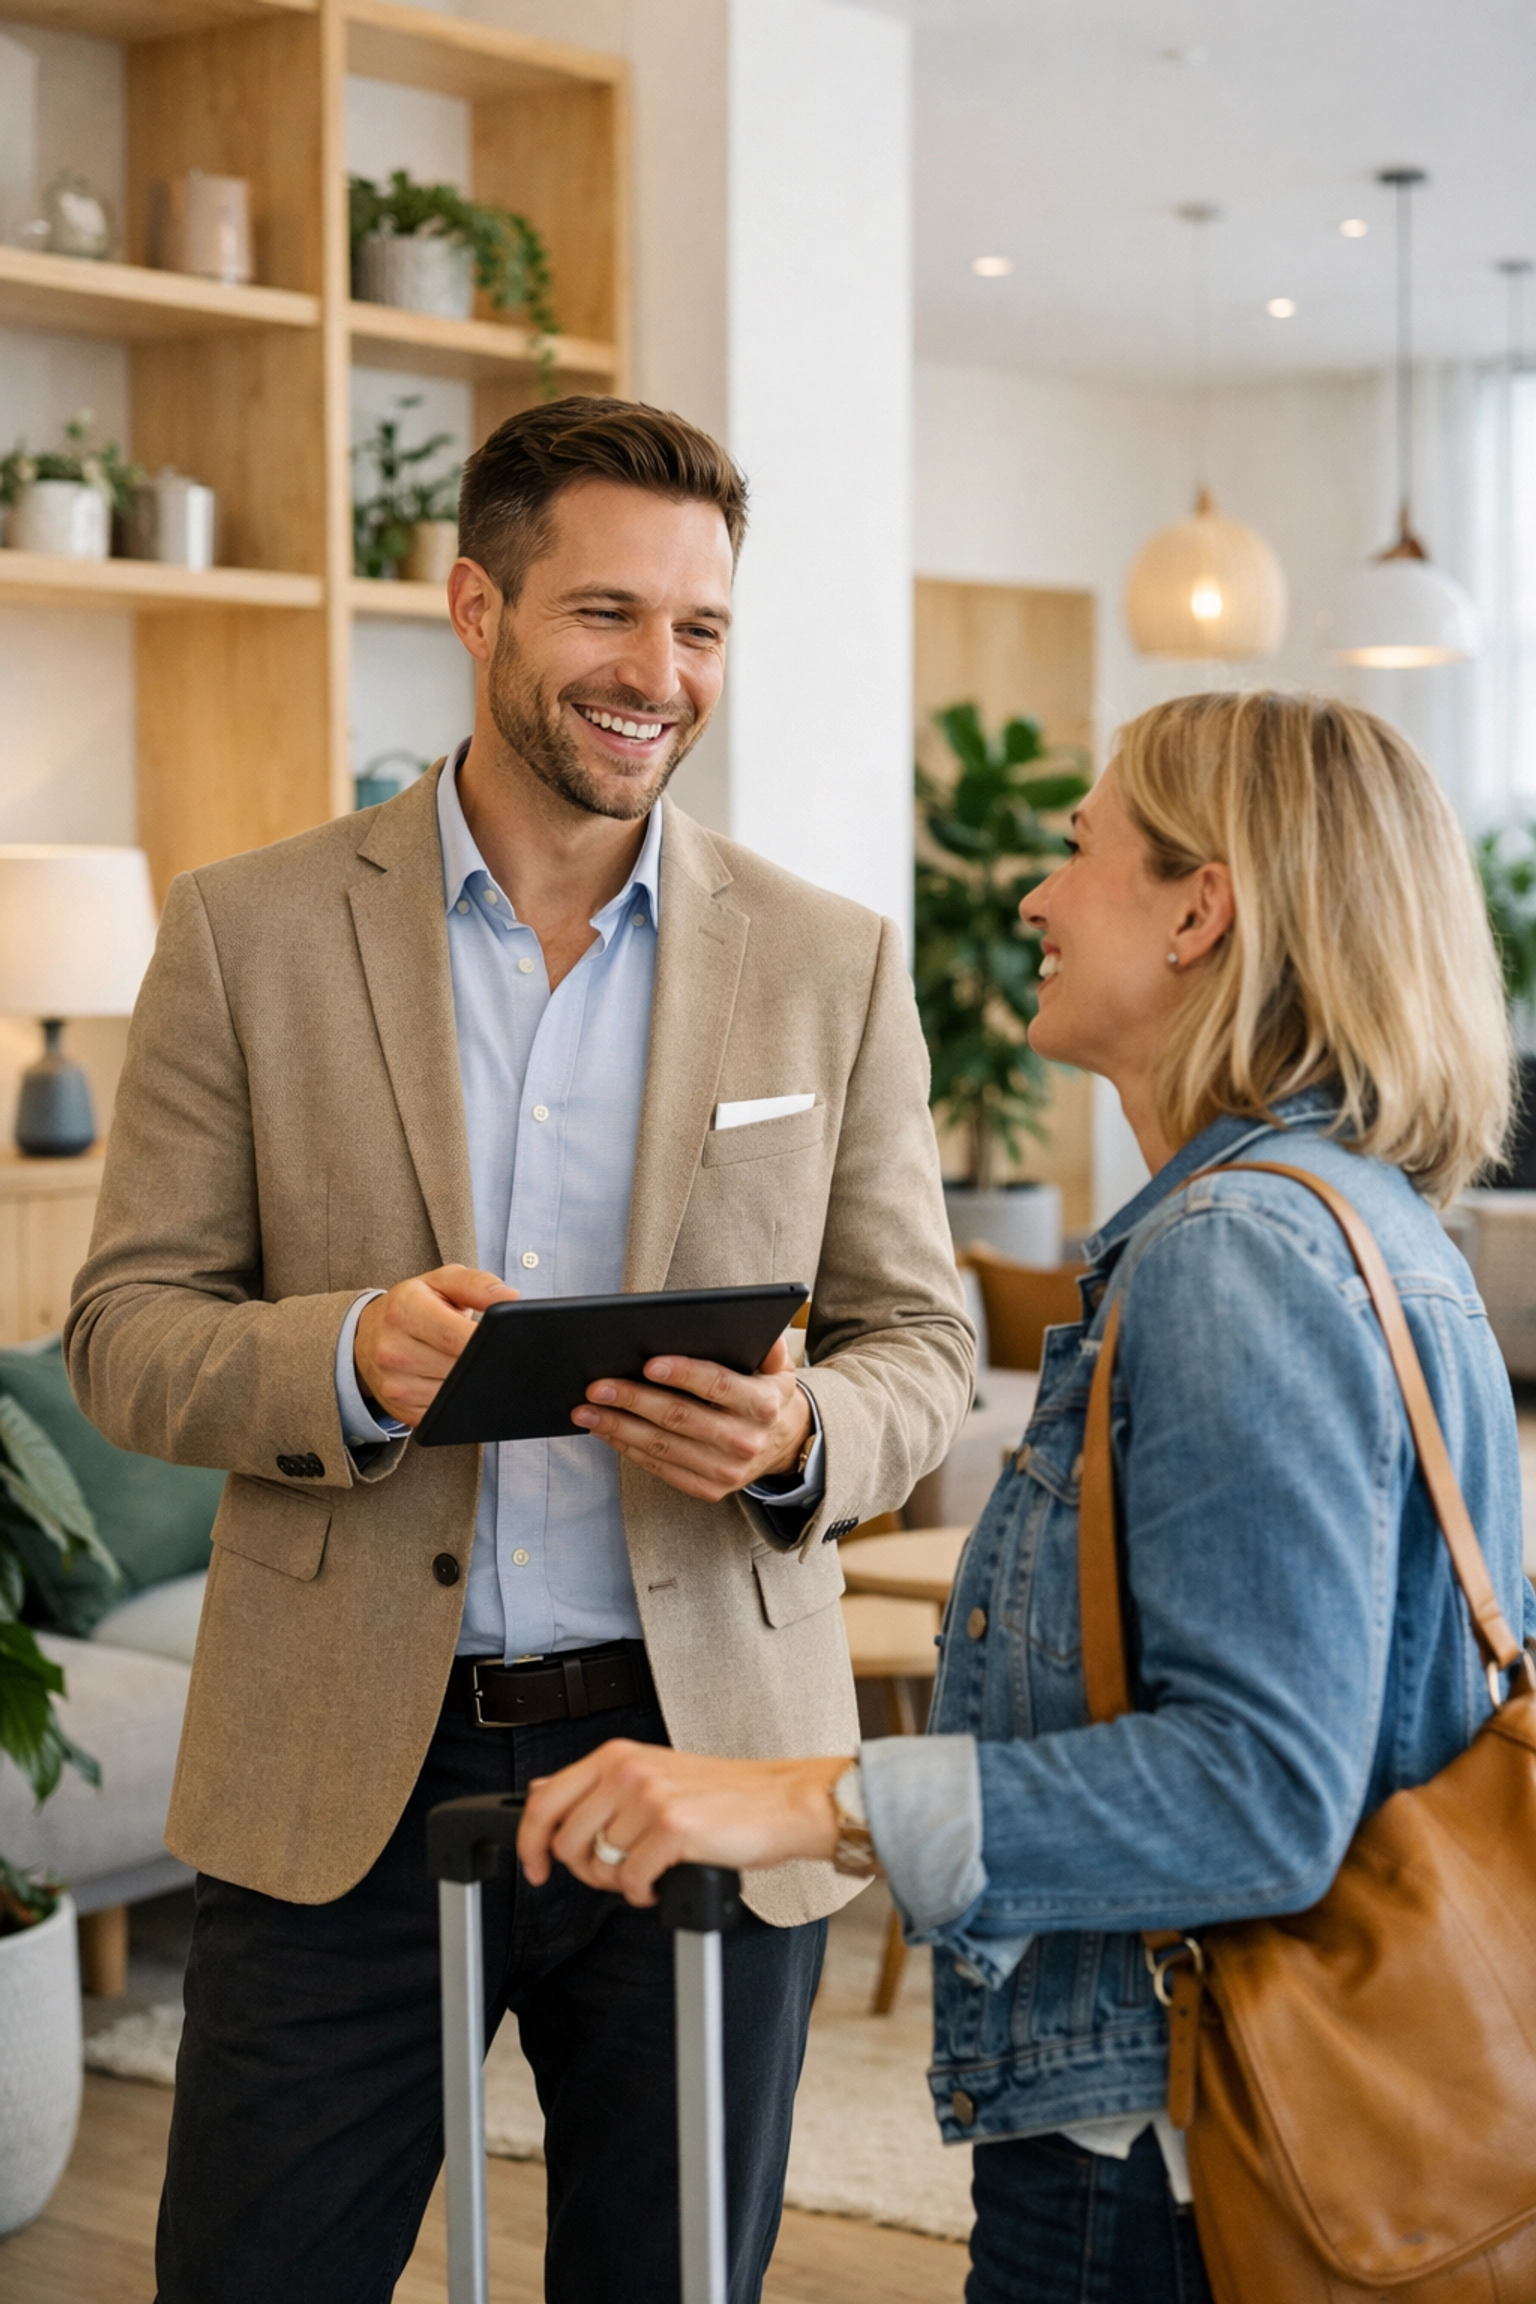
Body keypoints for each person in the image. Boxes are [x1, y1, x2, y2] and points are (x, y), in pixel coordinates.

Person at [65, 396, 974, 2304]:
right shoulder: (250, 934)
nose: (660, 676)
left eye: (702, 630)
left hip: (707, 1746)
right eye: (606, 616)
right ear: (474, 604)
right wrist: (343, 1363)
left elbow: (926, 1344)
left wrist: (805, 1429)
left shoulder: (833, 960)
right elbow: (126, 1335)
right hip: (342, 1771)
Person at [517, 689, 1536, 2304]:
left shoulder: (1237, 1258)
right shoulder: (1365, 1220)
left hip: (1174, 2162)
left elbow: (1258, 1793)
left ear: (1202, 908)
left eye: (1080, 850)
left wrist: (810, 1801)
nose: (1036, 899)